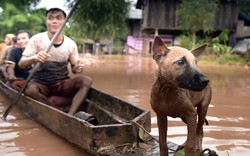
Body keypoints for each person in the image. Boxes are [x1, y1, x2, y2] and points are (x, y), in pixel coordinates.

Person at [18, 8, 92, 115]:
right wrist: (35, 57)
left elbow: (75, 68)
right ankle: (56, 111)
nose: (54, 21)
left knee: (86, 81)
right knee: (29, 90)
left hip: (61, 83)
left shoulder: (70, 43)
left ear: (65, 22)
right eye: (50, 18)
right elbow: (21, 63)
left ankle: (70, 115)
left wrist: (78, 68)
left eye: (59, 18)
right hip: (40, 83)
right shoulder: (37, 39)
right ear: (46, 21)